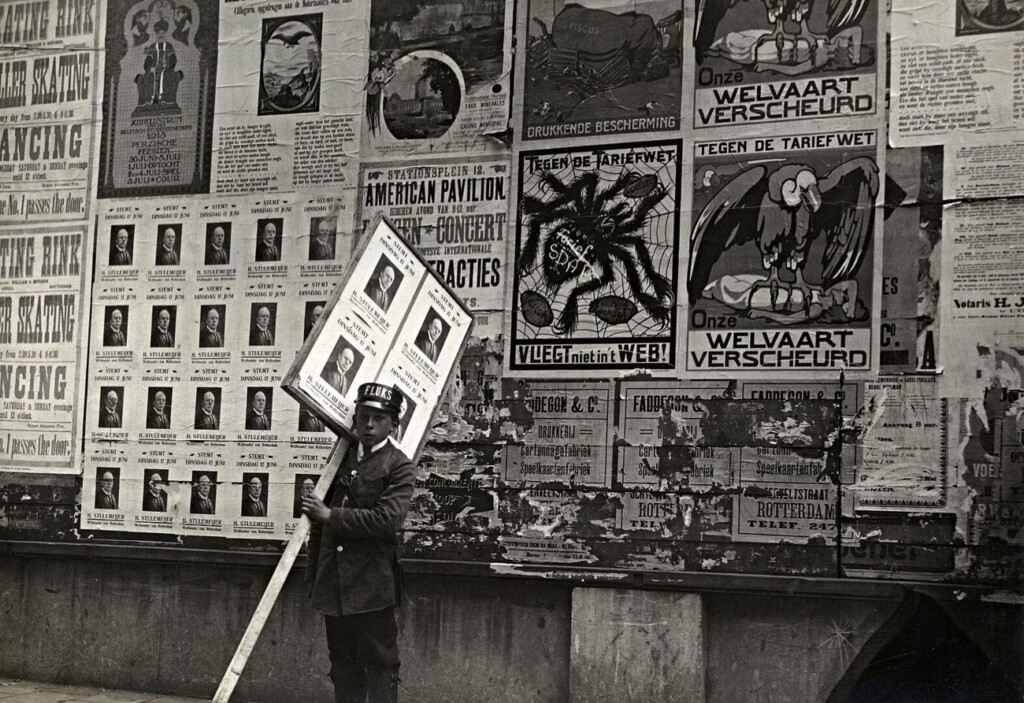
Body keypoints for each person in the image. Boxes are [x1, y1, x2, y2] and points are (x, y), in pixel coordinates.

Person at [304, 382, 416, 703]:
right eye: (363, 416)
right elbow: (317, 528)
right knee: (342, 663)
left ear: (393, 424)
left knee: (380, 663)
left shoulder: (399, 466)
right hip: (335, 585)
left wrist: (330, 516)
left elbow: (386, 521)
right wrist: (314, 577)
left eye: (379, 419)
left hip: (371, 586)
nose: (369, 425)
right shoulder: (339, 460)